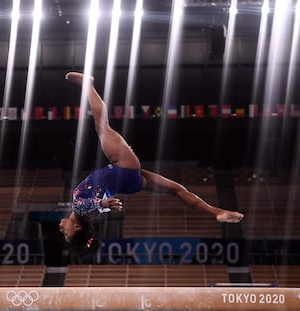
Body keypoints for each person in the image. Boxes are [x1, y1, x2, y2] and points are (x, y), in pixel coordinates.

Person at [59, 72, 244, 256]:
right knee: (102, 126)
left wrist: (103, 204)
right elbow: (87, 204)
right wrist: (102, 203)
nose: (61, 229)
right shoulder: (80, 208)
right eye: (67, 233)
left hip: (128, 184)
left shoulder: (88, 213)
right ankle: (88, 86)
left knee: (177, 191)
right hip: (122, 169)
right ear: (76, 227)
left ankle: (217, 212)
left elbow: (94, 205)